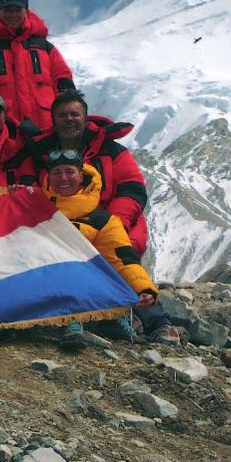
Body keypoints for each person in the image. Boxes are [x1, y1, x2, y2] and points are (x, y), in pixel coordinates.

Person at [39, 150, 159, 351]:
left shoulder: (103, 221)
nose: (63, 178)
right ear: (48, 178)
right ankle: (85, 319)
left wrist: (144, 289)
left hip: (81, 280)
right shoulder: (34, 211)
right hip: (43, 278)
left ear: (81, 175)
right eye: (56, 173)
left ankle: (96, 318)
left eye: (70, 172)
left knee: (93, 265)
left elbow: (123, 258)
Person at [34, 90, 149, 254]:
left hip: (110, 221)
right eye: (62, 115)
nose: (69, 119)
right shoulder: (38, 152)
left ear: (85, 118)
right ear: (53, 120)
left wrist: (111, 225)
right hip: (59, 225)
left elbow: (132, 192)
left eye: (75, 114)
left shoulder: (112, 151)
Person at [0, 0, 75, 132]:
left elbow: (65, 86)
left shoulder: (45, 48)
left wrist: (64, 122)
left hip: (48, 131)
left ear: (26, 10)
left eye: (18, 9)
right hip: (4, 135)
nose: (13, 14)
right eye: (7, 10)